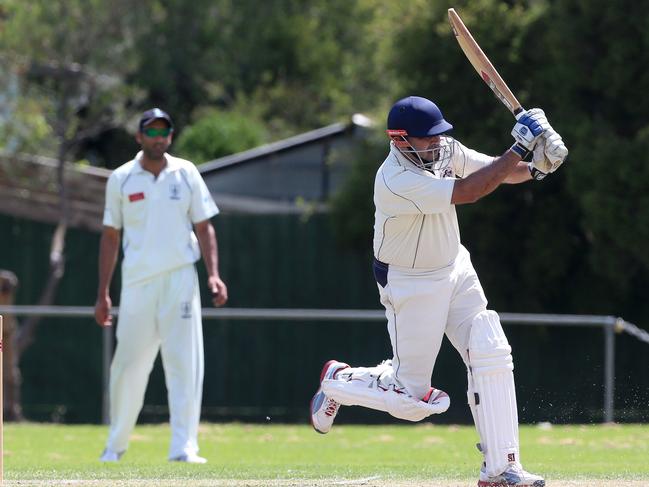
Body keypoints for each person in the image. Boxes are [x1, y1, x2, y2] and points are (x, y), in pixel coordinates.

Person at [310, 96, 567, 487]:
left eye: (438, 137)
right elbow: (469, 191)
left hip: (454, 265)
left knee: (489, 346)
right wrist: (520, 144)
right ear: (399, 140)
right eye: (426, 140)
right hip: (411, 282)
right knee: (411, 402)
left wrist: (536, 167)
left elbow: (494, 171)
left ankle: (500, 468)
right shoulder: (395, 179)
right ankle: (339, 381)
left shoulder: (444, 151)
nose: (435, 145)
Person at [95, 108, 228, 464]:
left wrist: (213, 274)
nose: (158, 137)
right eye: (150, 131)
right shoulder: (121, 179)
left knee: (185, 364)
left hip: (180, 278)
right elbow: (110, 236)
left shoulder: (186, 173)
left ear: (170, 135)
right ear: (139, 137)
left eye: (163, 131)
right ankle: (115, 446)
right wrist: (102, 293)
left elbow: (204, 227)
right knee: (127, 367)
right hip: (137, 283)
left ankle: (184, 447)